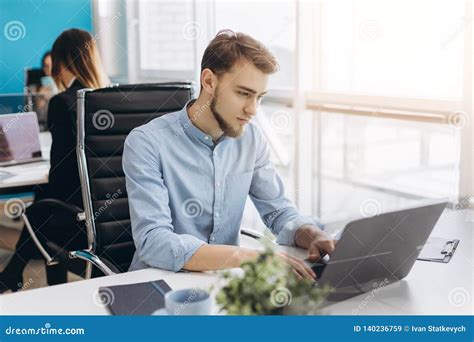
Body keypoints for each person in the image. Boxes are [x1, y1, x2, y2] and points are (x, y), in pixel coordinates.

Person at [123, 30, 336, 280]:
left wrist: (312, 234)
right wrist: (247, 257)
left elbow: (278, 211)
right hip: (158, 283)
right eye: (243, 94)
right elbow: (154, 241)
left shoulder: (251, 140)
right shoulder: (147, 142)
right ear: (209, 81)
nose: (253, 109)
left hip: (223, 284)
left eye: (259, 97)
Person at [0, 28, 109, 293]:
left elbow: (59, 172)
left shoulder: (62, 102)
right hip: (108, 215)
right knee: (44, 200)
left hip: (76, 218)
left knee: (41, 206)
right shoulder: (107, 97)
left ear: (60, 62)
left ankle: (17, 274)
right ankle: (16, 273)